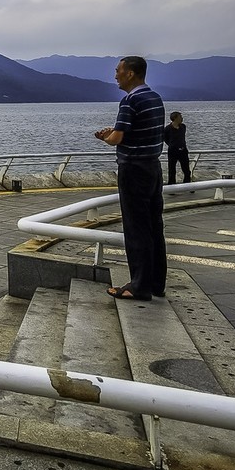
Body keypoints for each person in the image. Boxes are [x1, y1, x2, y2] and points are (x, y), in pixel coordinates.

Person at [94, 56, 166, 301]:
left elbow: (117, 138)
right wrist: (114, 133)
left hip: (133, 170)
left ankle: (138, 286)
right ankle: (156, 282)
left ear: (131, 74)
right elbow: (139, 132)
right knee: (155, 226)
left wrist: (106, 137)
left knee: (136, 229)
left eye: (118, 71)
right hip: (153, 168)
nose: (115, 75)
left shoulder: (129, 101)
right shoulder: (155, 98)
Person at [163, 111, 191, 185]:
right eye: (180, 117)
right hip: (173, 151)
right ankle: (171, 186)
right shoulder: (167, 129)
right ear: (175, 118)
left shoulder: (183, 127)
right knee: (172, 170)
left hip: (183, 150)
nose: (182, 118)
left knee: (186, 170)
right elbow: (165, 138)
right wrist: (172, 145)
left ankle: (188, 185)